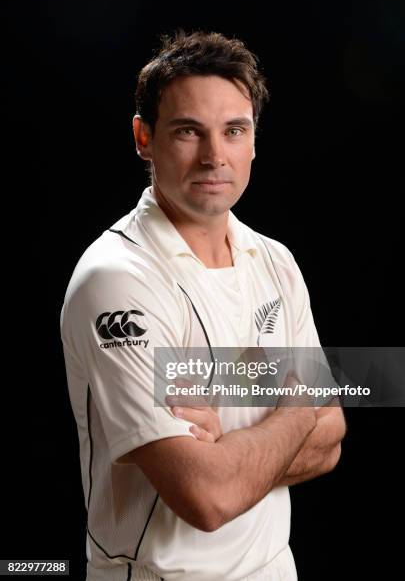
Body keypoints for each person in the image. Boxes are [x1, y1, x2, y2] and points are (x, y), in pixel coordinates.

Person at [60, 29, 346, 581]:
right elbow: (207, 496)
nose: (215, 156)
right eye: (189, 131)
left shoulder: (276, 262)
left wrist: (235, 449)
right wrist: (296, 407)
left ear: (254, 140)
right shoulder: (117, 280)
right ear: (144, 137)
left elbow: (332, 441)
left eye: (234, 130)